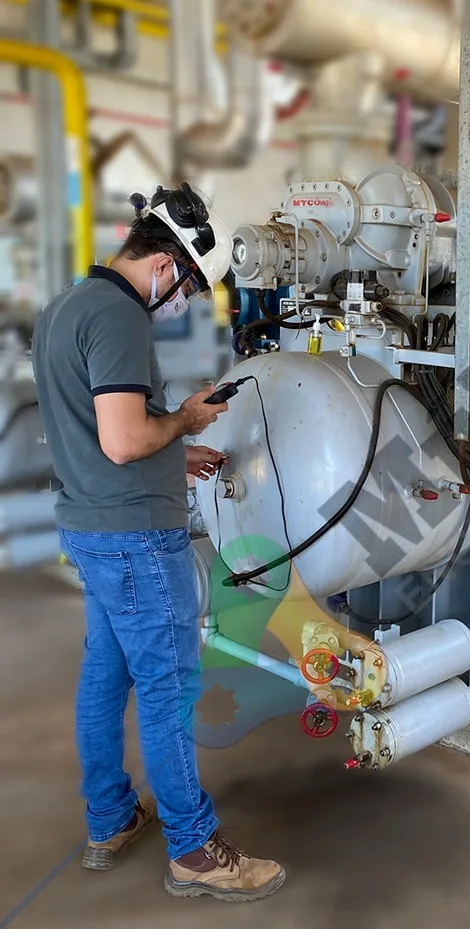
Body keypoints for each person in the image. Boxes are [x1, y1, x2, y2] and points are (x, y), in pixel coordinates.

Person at [32, 184, 285, 902]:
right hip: (137, 539)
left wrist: (173, 456)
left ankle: (110, 817)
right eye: (190, 288)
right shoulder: (118, 316)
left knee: (106, 676)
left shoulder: (65, 307)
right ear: (167, 265)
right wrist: (187, 421)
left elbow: (90, 437)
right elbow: (123, 439)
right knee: (170, 688)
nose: (183, 303)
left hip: (89, 526)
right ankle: (195, 849)